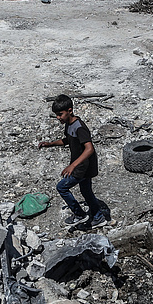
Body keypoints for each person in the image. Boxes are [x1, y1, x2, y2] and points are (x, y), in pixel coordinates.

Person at [38, 94, 111, 229]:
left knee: (62, 187)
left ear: (70, 110)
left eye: (60, 114)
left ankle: (79, 215)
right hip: (82, 165)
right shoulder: (69, 124)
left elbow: (89, 149)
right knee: (86, 191)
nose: (58, 118)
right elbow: (68, 140)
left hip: (82, 166)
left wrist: (72, 166)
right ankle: (98, 217)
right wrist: (50, 144)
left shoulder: (80, 127)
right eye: (57, 115)